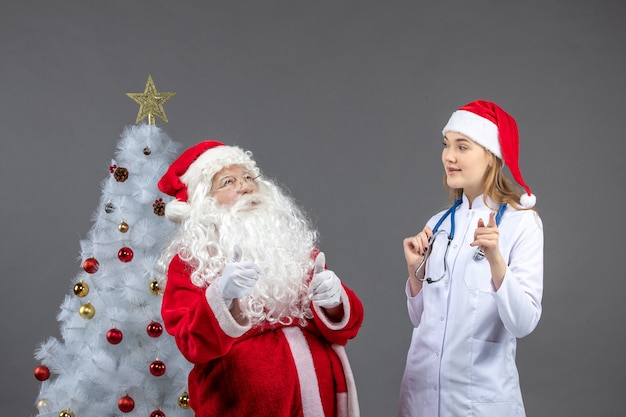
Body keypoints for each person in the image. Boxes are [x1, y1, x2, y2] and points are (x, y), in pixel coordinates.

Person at [157, 140, 364, 417]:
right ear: (204, 202)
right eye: (228, 182)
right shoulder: (190, 263)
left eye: (248, 177)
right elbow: (191, 344)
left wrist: (335, 301)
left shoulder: (293, 246)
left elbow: (345, 327)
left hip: (319, 398)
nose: (245, 186)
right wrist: (221, 297)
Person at [398, 100, 544, 417]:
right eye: (447, 145)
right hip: (421, 399)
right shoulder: (437, 224)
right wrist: (415, 273)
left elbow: (523, 323)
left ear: (491, 156)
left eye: (462, 146)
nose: (448, 156)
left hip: (479, 404)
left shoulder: (521, 223)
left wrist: (495, 260)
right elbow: (420, 320)